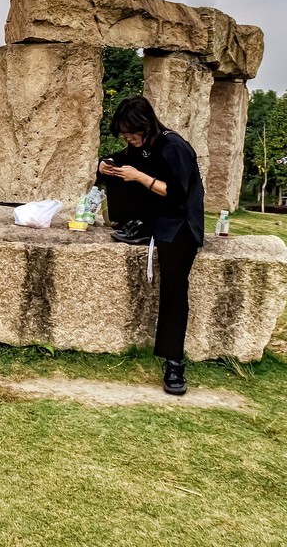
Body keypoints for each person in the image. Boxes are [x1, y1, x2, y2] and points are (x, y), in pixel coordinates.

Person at [98, 96, 204, 396]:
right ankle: (136, 224)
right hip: (152, 216)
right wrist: (105, 167)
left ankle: (174, 362)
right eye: (123, 134)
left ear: (145, 126)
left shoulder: (175, 147)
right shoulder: (139, 146)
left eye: (131, 133)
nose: (127, 139)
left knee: (174, 287)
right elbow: (121, 160)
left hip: (180, 222)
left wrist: (141, 177)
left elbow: (176, 193)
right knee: (120, 172)